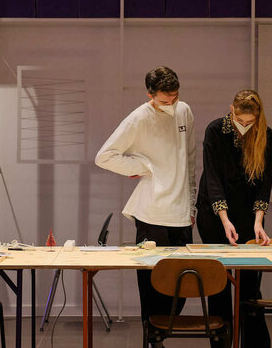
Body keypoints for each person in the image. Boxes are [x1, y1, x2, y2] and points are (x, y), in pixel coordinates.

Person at [95, 66, 196, 347]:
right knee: (152, 286)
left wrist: (192, 205)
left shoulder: (185, 111)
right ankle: (152, 340)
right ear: (150, 95)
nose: (171, 103)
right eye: (165, 100)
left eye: (175, 97)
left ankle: (160, 334)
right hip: (151, 213)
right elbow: (104, 156)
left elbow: (190, 159)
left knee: (183, 287)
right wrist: (141, 166)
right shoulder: (139, 118)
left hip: (181, 212)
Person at [196, 89, 272, 348]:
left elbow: (265, 184)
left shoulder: (266, 134)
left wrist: (258, 222)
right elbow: (213, 179)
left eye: (249, 122)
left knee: (249, 287)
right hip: (214, 213)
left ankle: (255, 344)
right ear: (231, 110)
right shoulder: (215, 131)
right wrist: (224, 219)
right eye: (240, 121)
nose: (244, 126)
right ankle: (221, 343)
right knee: (219, 284)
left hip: (247, 213)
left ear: (257, 117)